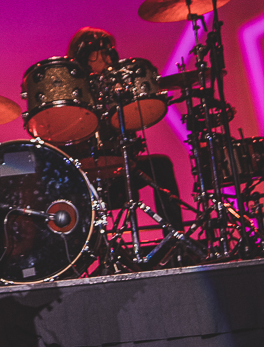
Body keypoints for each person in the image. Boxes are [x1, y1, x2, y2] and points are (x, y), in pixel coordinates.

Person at [65, 27, 184, 230]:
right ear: (85, 56)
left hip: (120, 168)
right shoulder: (71, 91)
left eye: (110, 52)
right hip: (84, 173)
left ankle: (175, 240)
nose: (109, 58)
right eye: (102, 53)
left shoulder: (115, 86)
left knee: (161, 165)